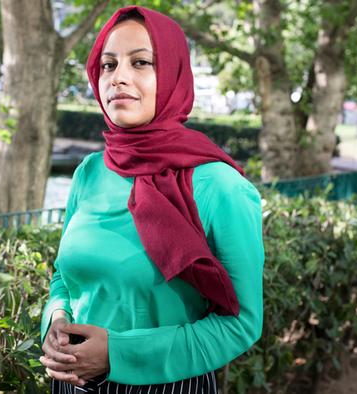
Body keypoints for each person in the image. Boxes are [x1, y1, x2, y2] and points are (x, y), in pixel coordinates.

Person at [39, 6, 264, 393]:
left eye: (141, 62)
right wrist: (55, 320)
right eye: (108, 65)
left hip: (168, 384)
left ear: (174, 74)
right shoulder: (90, 172)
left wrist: (118, 354)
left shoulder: (219, 187)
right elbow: (64, 277)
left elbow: (241, 323)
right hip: (70, 383)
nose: (118, 77)